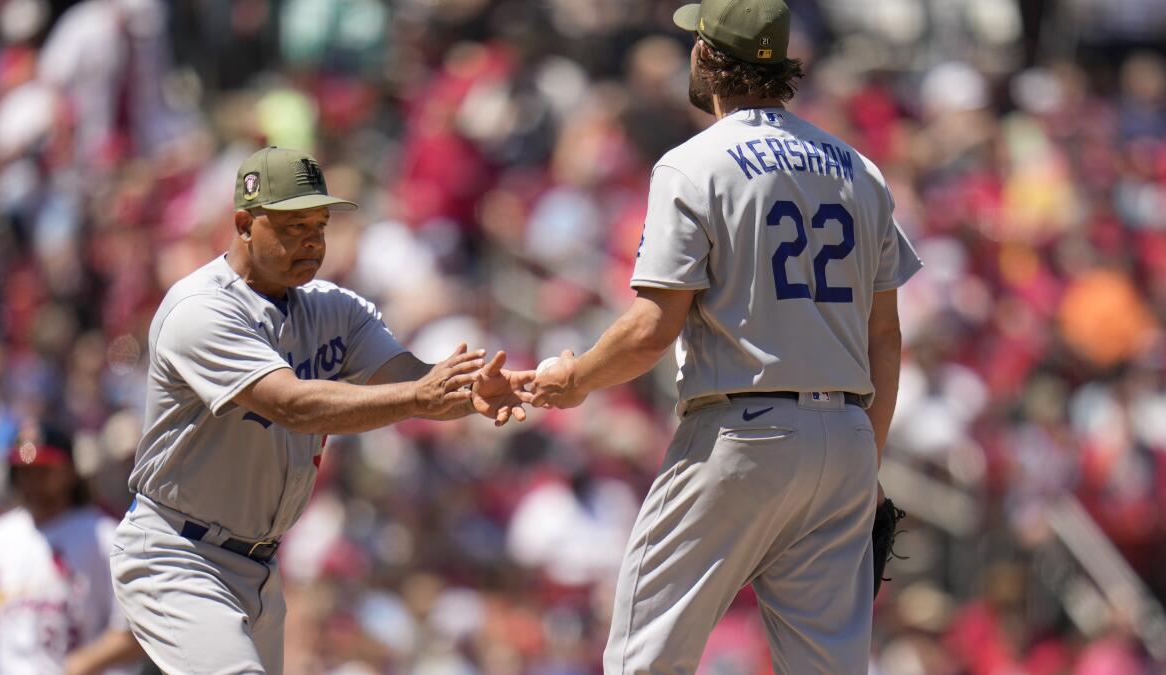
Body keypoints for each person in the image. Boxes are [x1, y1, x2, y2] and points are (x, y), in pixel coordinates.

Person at [525, 1, 923, 672]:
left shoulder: (694, 163)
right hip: (847, 435)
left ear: (709, 58)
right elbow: (886, 338)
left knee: (643, 656)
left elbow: (654, 326)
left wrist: (575, 377)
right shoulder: (860, 170)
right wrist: (865, 464)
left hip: (745, 430)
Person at [110, 146, 529, 674]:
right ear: (244, 225)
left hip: (258, 563)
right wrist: (421, 396)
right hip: (177, 552)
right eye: (291, 225)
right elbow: (294, 404)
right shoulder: (202, 308)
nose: (311, 239)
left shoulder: (336, 308)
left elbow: (412, 380)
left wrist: (475, 390)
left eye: (319, 223)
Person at [0, 422, 144, 675]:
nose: (33, 477)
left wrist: (85, 662)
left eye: (43, 468)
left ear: (70, 471)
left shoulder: (105, 536)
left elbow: (138, 632)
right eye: (24, 469)